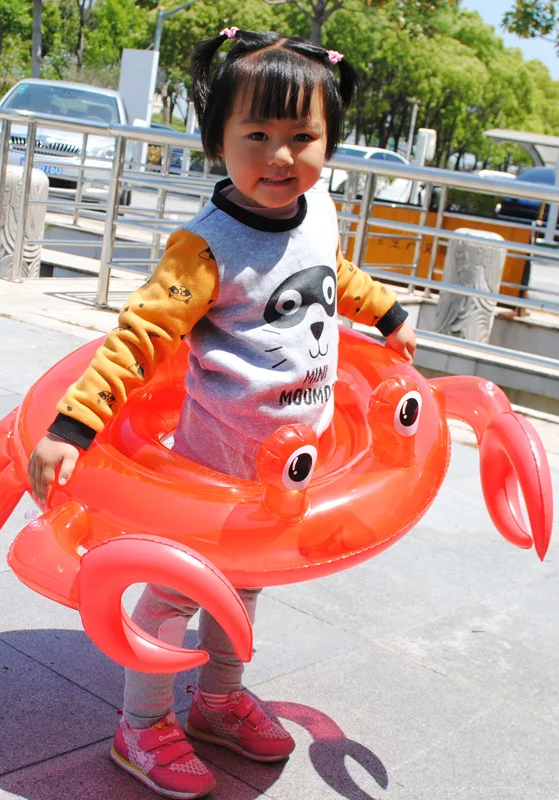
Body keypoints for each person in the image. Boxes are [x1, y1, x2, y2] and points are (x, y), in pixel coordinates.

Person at [28, 27, 417, 800]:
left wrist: (384, 307)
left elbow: (327, 274)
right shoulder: (203, 251)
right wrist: (74, 426)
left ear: (330, 141)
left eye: (302, 136)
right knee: (177, 592)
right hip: (211, 472)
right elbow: (138, 338)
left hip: (284, 468)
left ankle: (215, 702)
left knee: (245, 588)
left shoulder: (317, 210)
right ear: (218, 141)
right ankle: (141, 726)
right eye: (258, 136)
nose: (281, 156)